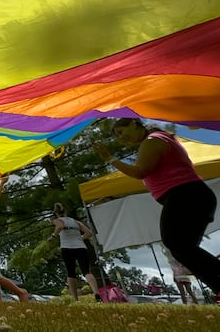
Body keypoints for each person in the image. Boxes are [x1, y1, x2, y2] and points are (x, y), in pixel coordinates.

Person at [94, 118, 220, 302]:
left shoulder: (153, 140)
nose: (122, 138)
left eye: (122, 132)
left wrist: (110, 158)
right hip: (191, 196)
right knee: (181, 248)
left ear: (135, 124)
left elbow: (140, 171)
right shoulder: (156, 139)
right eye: (118, 136)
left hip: (186, 195)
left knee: (176, 244)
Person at [47, 203, 101, 301]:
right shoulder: (75, 222)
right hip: (81, 247)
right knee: (87, 271)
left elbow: (60, 226)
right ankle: (96, 293)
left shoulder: (57, 220)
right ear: (66, 211)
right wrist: (80, 238)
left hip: (67, 248)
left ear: (56, 213)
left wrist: (53, 236)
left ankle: (76, 298)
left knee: (71, 273)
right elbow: (88, 233)